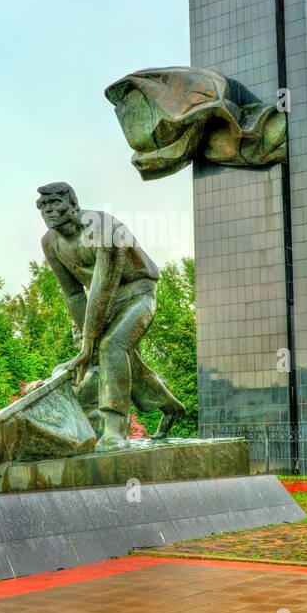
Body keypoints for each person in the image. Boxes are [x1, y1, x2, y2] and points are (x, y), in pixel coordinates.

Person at [36, 182, 185, 450]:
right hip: (105, 300)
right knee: (107, 355)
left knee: (111, 346)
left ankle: (114, 431)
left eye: (56, 203)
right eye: (43, 206)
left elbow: (103, 288)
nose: (49, 210)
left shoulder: (104, 230)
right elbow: (73, 295)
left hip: (138, 293)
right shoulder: (50, 243)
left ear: (73, 205)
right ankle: (169, 405)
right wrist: (85, 343)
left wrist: (90, 340)